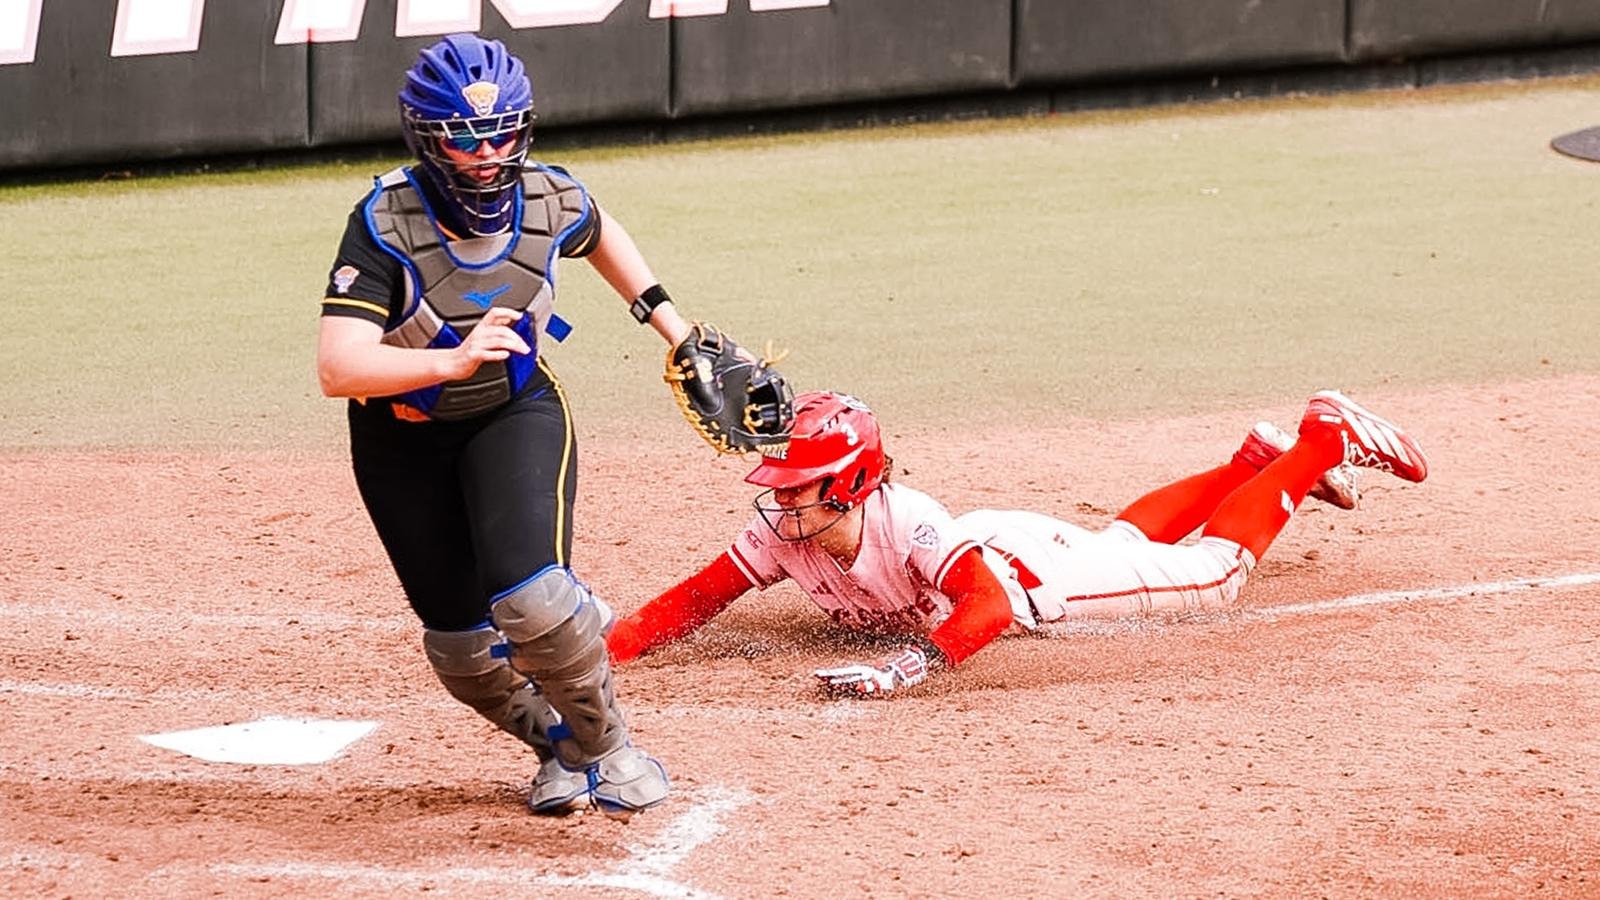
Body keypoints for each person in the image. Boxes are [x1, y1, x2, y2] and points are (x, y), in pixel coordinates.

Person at [315, 33, 697, 816]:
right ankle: (558, 747)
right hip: (400, 442)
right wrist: (449, 362)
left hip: (513, 411)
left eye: (502, 134)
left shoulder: (549, 196)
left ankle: (609, 748)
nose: (488, 156)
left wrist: (674, 326)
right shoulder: (385, 220)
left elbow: (599, 231)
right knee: (462, 652)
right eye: (464, 139)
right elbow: (339, 368)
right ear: (427, 139)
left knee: (534, 604)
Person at [605, 390, 1428, 697]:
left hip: (1036, 579)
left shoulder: (904, 519)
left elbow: (990, 606)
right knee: (1121, 538)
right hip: (997, 540)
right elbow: (697, 597)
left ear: (849, 483)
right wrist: (598, 652)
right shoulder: (788, 534)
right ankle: (1251, 467)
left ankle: (1323, 438)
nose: (781, 498)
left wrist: (907, 669)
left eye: (798, 485)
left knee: (1213, 577)